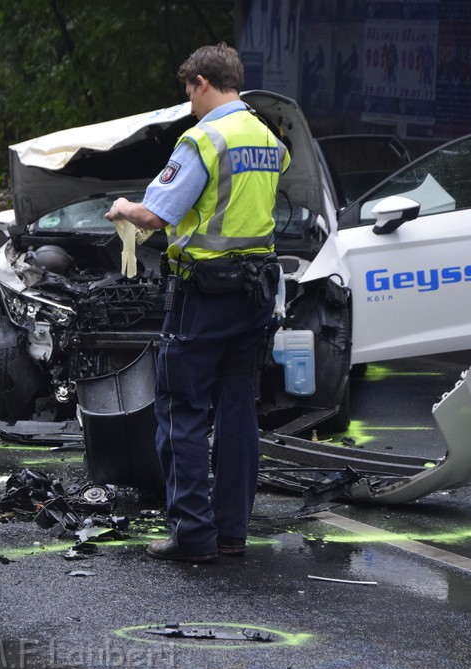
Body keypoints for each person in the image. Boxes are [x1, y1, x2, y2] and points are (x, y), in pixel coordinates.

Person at [104, 43, 289, 563]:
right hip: (255, 292)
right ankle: (232, 534)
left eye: (189, 91)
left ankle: (193, 537)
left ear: (204, 82)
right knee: (237, 409)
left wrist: (122, 207)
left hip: (202, 293)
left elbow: (154, 216)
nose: (188, 103)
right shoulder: (267, 137)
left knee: (182, 410)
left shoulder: (204, 138)